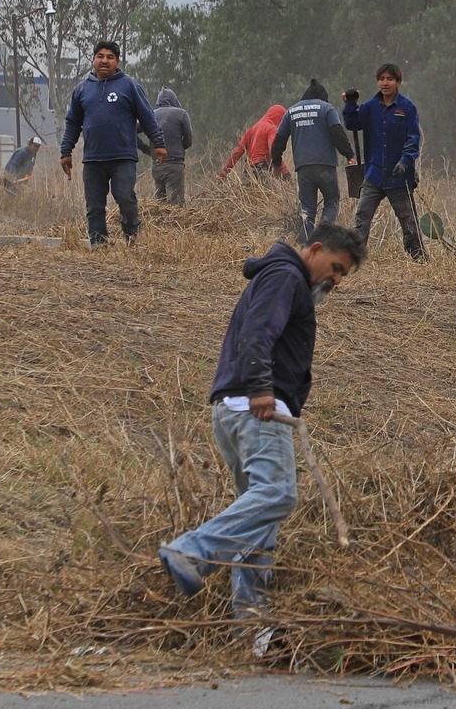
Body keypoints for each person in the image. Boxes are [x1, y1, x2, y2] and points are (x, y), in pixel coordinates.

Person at [157, 222, 368, 639]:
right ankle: (190, 551)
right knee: (278, 494)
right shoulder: (287, 276)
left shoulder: (282, 276)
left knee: (259, 522)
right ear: (316, 249)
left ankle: (251, 629)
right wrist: (261, 388)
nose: (337, 280)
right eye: (337, 267)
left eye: (344, 274)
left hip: (235, 409)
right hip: (256, 408)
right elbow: (260, 331)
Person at [59, 40, 168, 247]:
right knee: (94, 205)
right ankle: (98, 244)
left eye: (110, 57)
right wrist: (66, 151)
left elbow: (147, 117)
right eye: (100, 56)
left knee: (125, 197)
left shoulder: (129, 85)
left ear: (117, 62)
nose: (105, 61)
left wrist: (159, 143)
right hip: (92, 158)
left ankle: (131, 238)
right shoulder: (82, 89)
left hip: (123, 157)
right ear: (94, 59)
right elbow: (73, 122)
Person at [343, 64, 426, 260]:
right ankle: (353, 259)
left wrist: (405, 162)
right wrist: (350, 105)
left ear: (398, 82)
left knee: (408, 222)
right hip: (374, 175)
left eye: (390, 79)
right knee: (362, 217)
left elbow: (413, 139)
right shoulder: (370, 107)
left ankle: (420, 259)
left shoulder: (407, 108)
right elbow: (352, 124)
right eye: (382, 79)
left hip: (399, 176)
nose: (385, 83)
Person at [270, 80, 353, 240]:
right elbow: (337, 133)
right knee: (331, 201)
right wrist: (349, 155)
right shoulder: (327, 108)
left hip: (303, 168)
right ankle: (322, 237)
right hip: (325, 166)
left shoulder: (291, 111)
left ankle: (305, 246)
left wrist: (276, 162)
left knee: (307, 209)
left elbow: (279, 139)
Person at [220, 104, 289, 182]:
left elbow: (237, 153)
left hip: (249, 171)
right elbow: (274, 150)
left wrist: (224, 173)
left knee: (248, 193)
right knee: (266, 194)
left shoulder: (251, 130)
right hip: (263, 169)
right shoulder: (271, 129)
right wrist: (286, 172)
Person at [151, 88, 195, 205]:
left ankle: (160, 224)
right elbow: (189, 140)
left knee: (159, 204)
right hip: (174, 165)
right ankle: (173, 224)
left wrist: (146, 149)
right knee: (175, 206)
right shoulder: (181, 114)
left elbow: (133, 131)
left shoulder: (151, 115)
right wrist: (178, 149)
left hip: (157, 164)